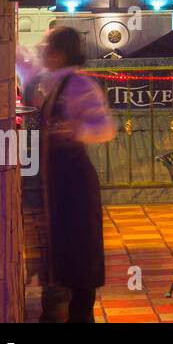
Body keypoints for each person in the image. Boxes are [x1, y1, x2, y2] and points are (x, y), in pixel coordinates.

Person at [33, 27, 115, 323]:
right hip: (58, 181)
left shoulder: (80, 85)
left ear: (58, 52)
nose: (41, 49)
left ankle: (82, 316)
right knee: (61, 255)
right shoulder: (49, 84)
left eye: (46, 44)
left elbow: (105, 128)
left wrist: (74, 130)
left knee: (80, 255)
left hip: (76, 184)